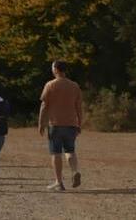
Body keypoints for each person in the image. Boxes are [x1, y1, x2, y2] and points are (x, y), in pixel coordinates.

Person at [38, 60, 84, 192]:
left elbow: (44, 105)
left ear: (56, 69)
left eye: (52, 68)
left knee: (56, 153)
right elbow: (79, 107)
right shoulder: (74, 86)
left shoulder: (50, 85)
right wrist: (79, 123)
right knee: (70, 151)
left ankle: (59, 182)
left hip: (55, 124)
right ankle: (75, 171)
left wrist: (41, 122)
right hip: (71, 124)